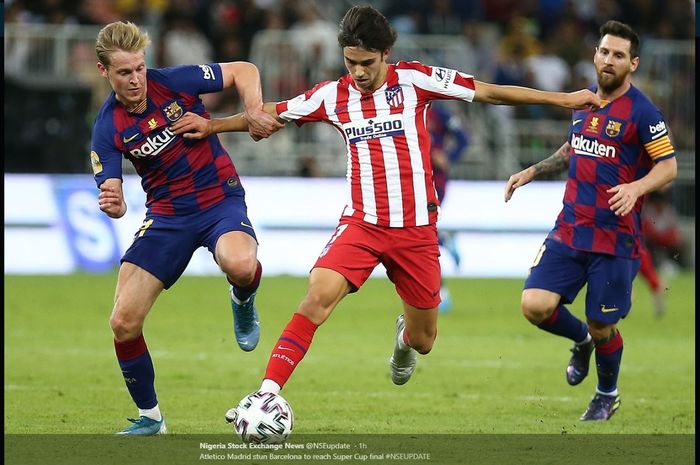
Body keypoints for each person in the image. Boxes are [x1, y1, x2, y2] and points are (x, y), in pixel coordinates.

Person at [171, 6, 601, 413]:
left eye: (367, 62)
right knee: (317, 296)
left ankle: (403, 338)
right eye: (350, 61)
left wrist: (563, 100)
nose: (358, 72)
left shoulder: (415, 80)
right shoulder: (330, 96)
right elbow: (269, 113)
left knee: (425, 339)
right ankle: (266, 393)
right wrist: (213, 125)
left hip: (415, 230)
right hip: (361, 224)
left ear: (386, 55)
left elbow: (488, 91)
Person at [90, 21, 282, 436]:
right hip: (167, 217)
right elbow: (112, 194)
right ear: (105, 72)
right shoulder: (107, 127)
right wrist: (114, 203)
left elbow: (244, 69)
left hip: (218, 198)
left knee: (240, 264)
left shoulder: (173, 81)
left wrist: (251, 110)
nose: (137, 79)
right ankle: (151, 419)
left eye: (140, 68)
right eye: (125, 72)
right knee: (123, 321)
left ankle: (242, 298)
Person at [504, 20, 677, 421]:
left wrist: (635, 188)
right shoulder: (584, 103)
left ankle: (606, 393)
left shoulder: (644, 112)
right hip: (570, 229)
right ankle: (580, 341)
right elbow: (575, 146)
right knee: (534, 305)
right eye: (603, 51)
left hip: (614, 238)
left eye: (618, 55)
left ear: (632, 64)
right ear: (595, 54)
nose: (608, 60)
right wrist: (534, 170)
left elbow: (668, 167)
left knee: (604, 325)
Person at [427, 103, 470, 313]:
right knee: (422, 231)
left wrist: (448, 158)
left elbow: (463, 138)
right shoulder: (402, 109)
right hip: (409, 180)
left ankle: (440, 293)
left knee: (423, 231)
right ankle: (443, 239)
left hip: (435, 181)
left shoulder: (440, 114)